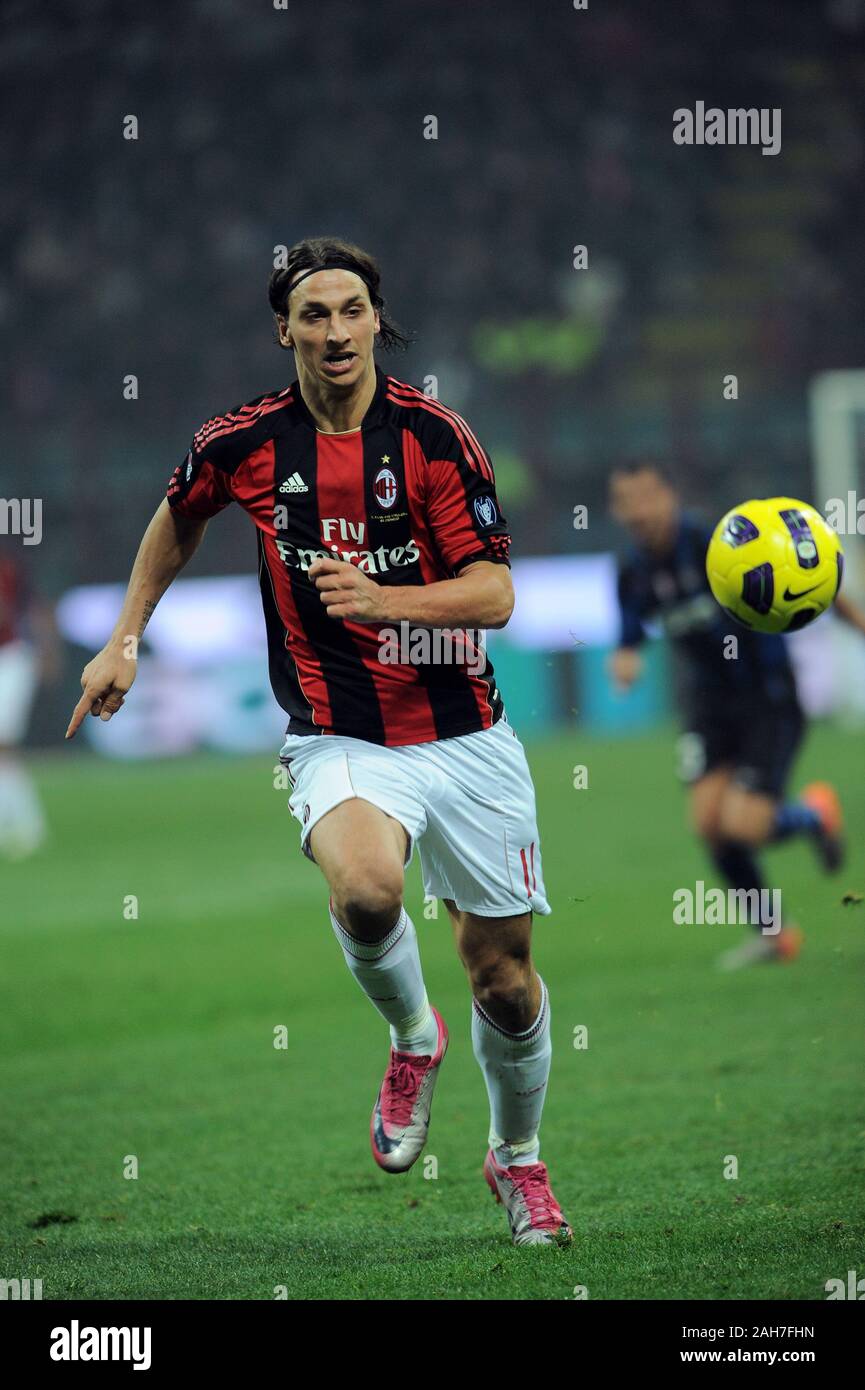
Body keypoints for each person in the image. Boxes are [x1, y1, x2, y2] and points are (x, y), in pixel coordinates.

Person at [66, 236, 572, 1247]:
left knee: (506, 981)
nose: (336, 331)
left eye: (352, 310)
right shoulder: (244, 442)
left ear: (376, 320)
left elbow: (495, 594)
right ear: (284, 331)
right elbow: (177, 517)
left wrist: (384, 600)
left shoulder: (434, 437)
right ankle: (412, 1036)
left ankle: (516, 1158)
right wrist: (125, 639)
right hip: (339, 729)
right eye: (314, 314)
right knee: (367, 889)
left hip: (465, 732)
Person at [608, 460, 865, 970]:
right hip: (708, 703)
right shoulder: (631, 571)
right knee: (709, 824)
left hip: (766, 697)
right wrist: (626, 657)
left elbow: (810, 577)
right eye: (626, 501)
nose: (638, 510)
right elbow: (629, 633)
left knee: (743, 826)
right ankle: (775, 934)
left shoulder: (717, 543)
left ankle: (812, 816)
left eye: (647, 496)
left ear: (670, 495)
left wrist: (857, 621)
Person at [0, 542, 58, 859]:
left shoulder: (8, 568)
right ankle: (18, 824)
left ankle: (28, 826)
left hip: (8, 660)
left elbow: (24, 609)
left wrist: (48, 650)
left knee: (4, 746)